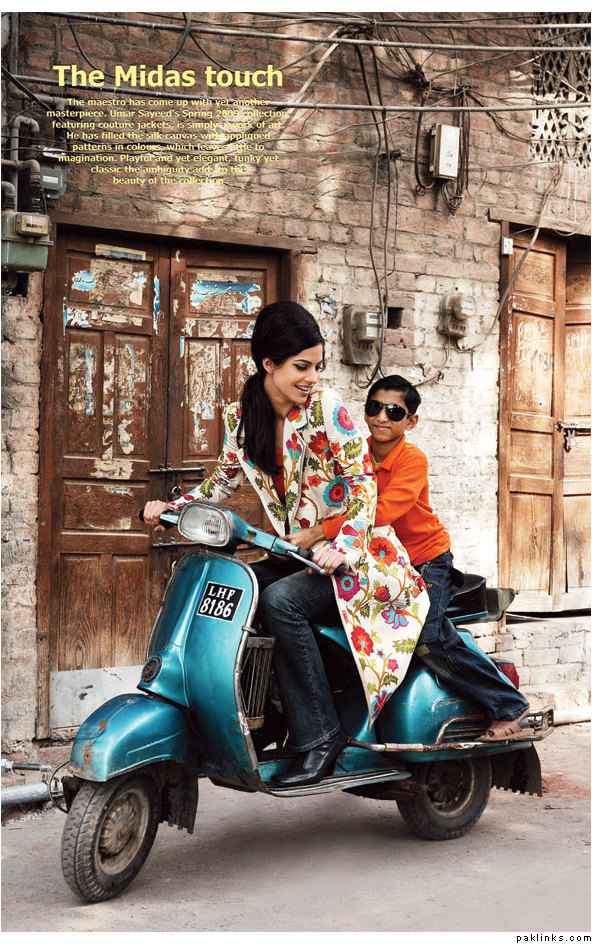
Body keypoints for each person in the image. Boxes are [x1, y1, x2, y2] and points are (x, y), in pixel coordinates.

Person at [143, 303, 430, 787]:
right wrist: (173, 508)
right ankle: (263, 717)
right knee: (238, 587)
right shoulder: (242, 416)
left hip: (362, 558)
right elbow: (221, 481)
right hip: (299, 555)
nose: (313, 378)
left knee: (281, 601)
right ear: (269, 364)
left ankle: (320, 736)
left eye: (318, 366)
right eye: (302, 366)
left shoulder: (328, 409)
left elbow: (362, 485)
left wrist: (342, 545)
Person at [322, 374, 530, 742]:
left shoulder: (412, 459)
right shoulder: (354, 456)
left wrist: (322, 531)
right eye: (374, 408)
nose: (381, 417)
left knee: (427, 635)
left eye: (394, 412)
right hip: (382, 563)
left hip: (426, 560)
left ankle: (509, 705)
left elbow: (384, 511)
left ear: (411, 421)